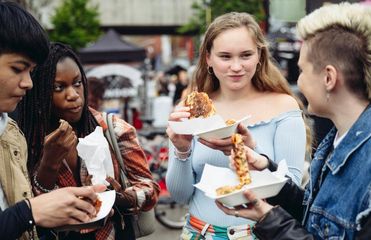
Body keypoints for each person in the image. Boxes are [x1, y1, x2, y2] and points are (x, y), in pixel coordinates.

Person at [217, 3, 371, 239]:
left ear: (328, 78)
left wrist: (270, 221)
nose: (299, 81)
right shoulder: (341, 136)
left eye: (301, 70)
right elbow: (319, 215)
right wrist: (267, 171)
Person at [166, 12, 308, 239]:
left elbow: (291, 195)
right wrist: (182, 149)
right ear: (208, 59)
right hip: (198, 233)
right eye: (225, 56)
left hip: (259, 234)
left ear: (260, 56)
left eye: (245, 55)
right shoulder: (191, 110)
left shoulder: (284, 106)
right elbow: (181, 196)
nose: (236, 66)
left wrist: (252, 154)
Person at [17, 42, 160, 240]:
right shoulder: (24, 141)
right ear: (39, 92)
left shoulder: (113, 129)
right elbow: (29, 212)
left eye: (77, 83)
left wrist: (118, 198)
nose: (73, 95)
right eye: (59, 87)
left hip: (111, 233)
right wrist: (48, 165)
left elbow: (149, 189)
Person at [0, 2, 107, 240]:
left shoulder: (11, 133)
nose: (27, 83)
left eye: (78, 83)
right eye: (18, 69)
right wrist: (29, 212)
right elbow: (27, 212)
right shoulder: (28, 132)